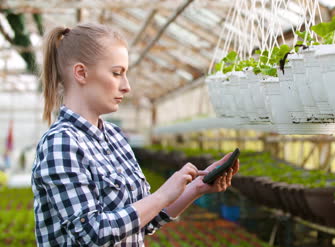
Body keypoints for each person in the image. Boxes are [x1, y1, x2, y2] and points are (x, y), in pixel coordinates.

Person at [31, 23, 239, 246]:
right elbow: (92, 234)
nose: (127, 86)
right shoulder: (61, 143)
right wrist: (163, 195)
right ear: (81, 73)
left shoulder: (115, 137)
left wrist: (197, 187)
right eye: (116, 73)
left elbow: (145, 220)